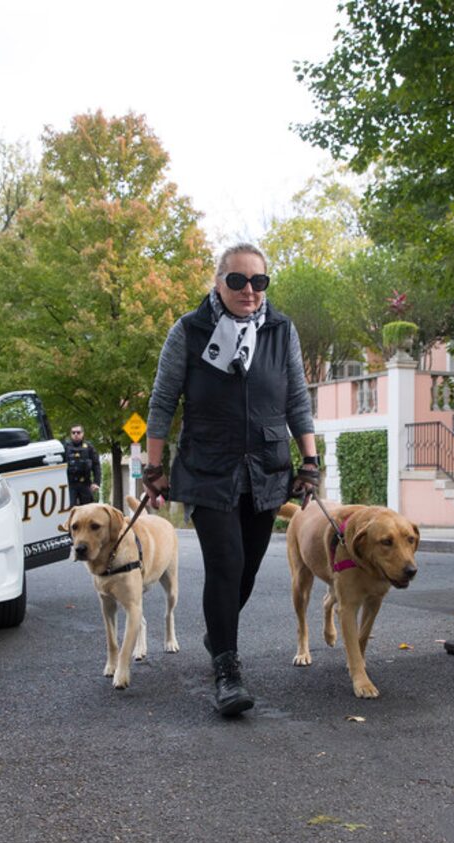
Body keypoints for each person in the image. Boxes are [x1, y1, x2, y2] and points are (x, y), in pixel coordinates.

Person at [143, 243, 320, 717]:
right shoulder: (189, 330)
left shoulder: (281, 331)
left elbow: (297, 400)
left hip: (265, 466)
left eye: (258, 282)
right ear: (218, 282)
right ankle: (228, 670)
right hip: (208, 465)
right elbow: (162, 403)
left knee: (247, 569)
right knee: (226, 561)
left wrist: (310, 462)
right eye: (238, 280)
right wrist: (153, 468)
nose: (249, 291)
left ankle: (216, 633)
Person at [64, 424, 101, 507]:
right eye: (73, 433)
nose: (76, 434)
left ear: (82, 434)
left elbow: (96, 465)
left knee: (88, 510)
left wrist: (96, 482)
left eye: (78, 432)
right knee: (70, 510)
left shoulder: (89, 447)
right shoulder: (66, 447)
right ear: (71, 434)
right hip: (70, 484)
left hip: (85, 483)